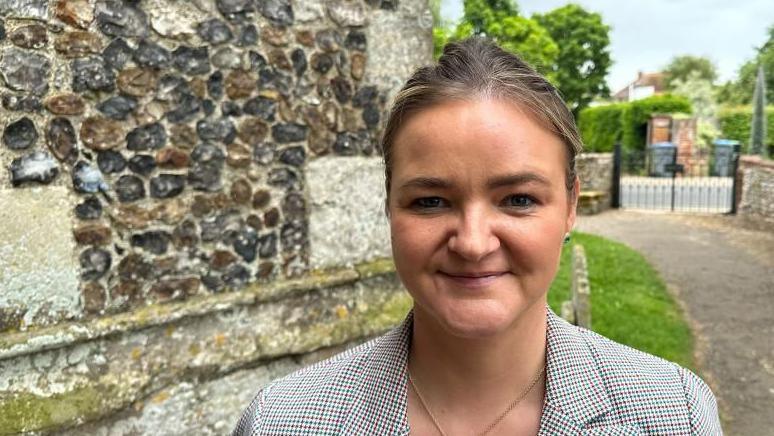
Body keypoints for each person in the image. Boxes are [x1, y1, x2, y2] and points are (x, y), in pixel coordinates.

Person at [233, 37, 721, 435]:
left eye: (518, 199)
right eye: (430, 201)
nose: (472, 242)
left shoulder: (673, 415)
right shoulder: (283, 420)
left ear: (571, 206)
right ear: (388, 206)